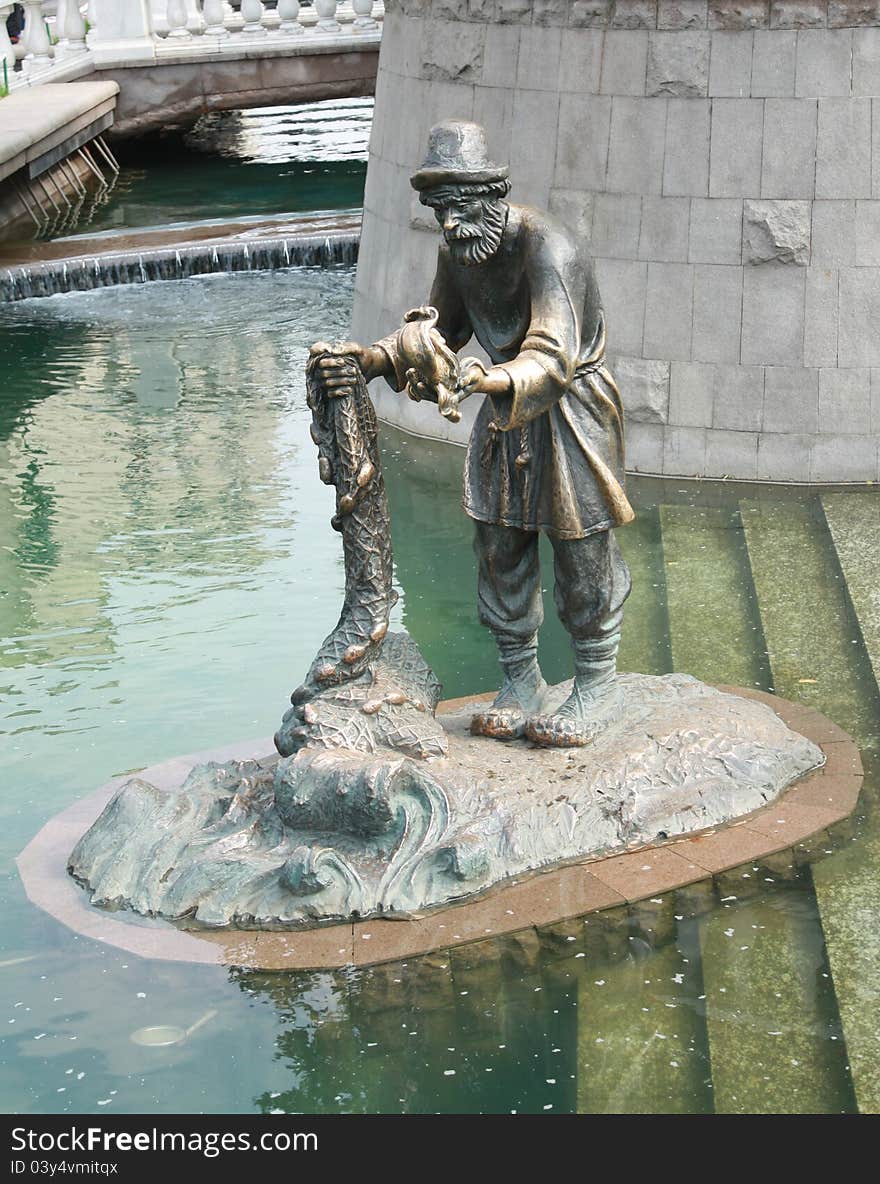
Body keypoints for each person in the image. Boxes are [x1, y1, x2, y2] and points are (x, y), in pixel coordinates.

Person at [316, 120, 634, 747]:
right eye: (440, 214)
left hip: (569, 411)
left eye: (460, 210)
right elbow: (440, 332)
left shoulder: (550, 248)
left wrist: (483, 380)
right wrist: (371, 360)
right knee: (500, 548)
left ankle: (596, 685)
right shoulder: (458, 251)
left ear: (493, 194)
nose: (451, 228)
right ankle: (521, 681)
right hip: (503, 413)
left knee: (580, 549)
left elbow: (552, 354)